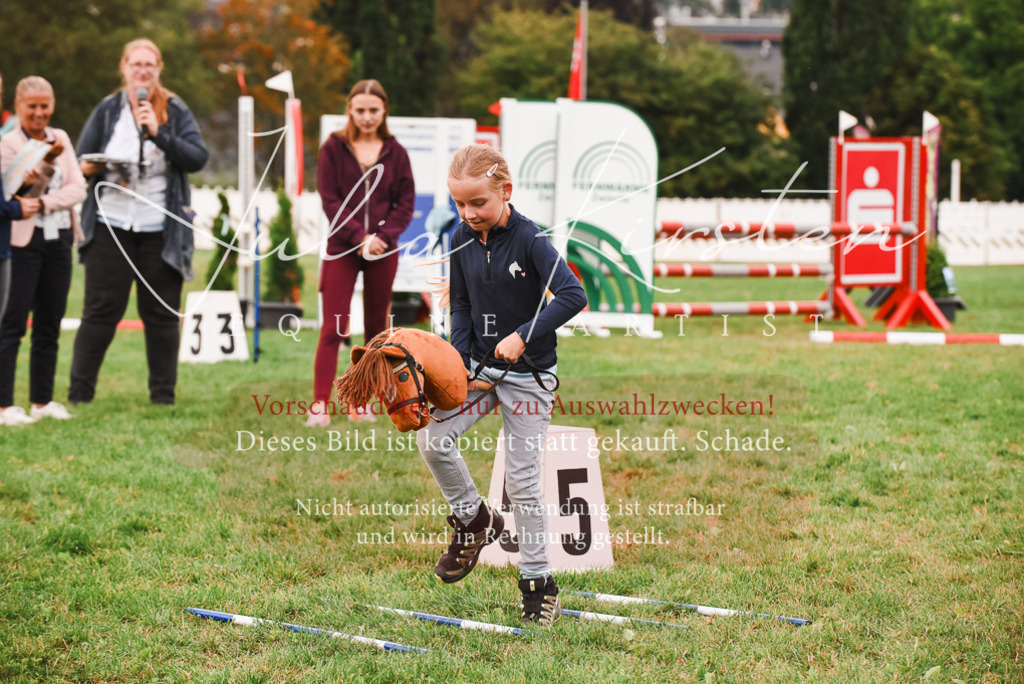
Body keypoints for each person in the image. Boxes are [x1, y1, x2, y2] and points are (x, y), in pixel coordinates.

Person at [416, 144, 587, 625]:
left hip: (530, 379)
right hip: (482, 373)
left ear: (505, 192)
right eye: (459, 204)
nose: (468, 214)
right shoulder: (458, 237)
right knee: (433, 438)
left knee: (523, 483)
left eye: (478, 203)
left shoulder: (531, 239)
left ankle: (538, 583)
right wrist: (462, 366)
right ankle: (474, 519)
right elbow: (463, 307)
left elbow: (574, 295)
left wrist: (522, 335)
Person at [69, 38, 209, 406]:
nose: (143, 70)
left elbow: (197, 157)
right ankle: (79, 394)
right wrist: (91, 167)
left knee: (161, 314)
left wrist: (158, 133)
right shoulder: (108, 110)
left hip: (159, 228)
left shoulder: (175, 110)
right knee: (100, 311)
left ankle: (163, 396)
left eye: (150, 64)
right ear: (124, 68)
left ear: (159, 68)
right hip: (110, 225)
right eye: (136, 64)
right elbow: (79, 161)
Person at [309, 79, 414, 427]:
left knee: (375, 330)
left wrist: (382, 236)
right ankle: (320, 405)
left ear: (384, 111)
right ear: (350, 111)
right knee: (334, 327)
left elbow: (405, 203)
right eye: (360, 110)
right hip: (343, 247)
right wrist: (360, 237)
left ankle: (361, 403)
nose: (367, 117)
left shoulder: (396, 152)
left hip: (383, 249)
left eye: (373, 110)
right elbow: (329, 200)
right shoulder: (333, 148)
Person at [0, 76, 86, 426]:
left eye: (44, 106)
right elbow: (9, 195)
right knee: (13, 322)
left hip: (59, 238)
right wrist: (31, 188)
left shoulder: (60, 139)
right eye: (32, 106)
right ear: (19, 107)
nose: (39, 113)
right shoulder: (7, 145)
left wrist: (46, 201)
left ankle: (42, 400)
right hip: (22, 242)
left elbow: (78, 187)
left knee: (50, 322)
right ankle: (4, 404)